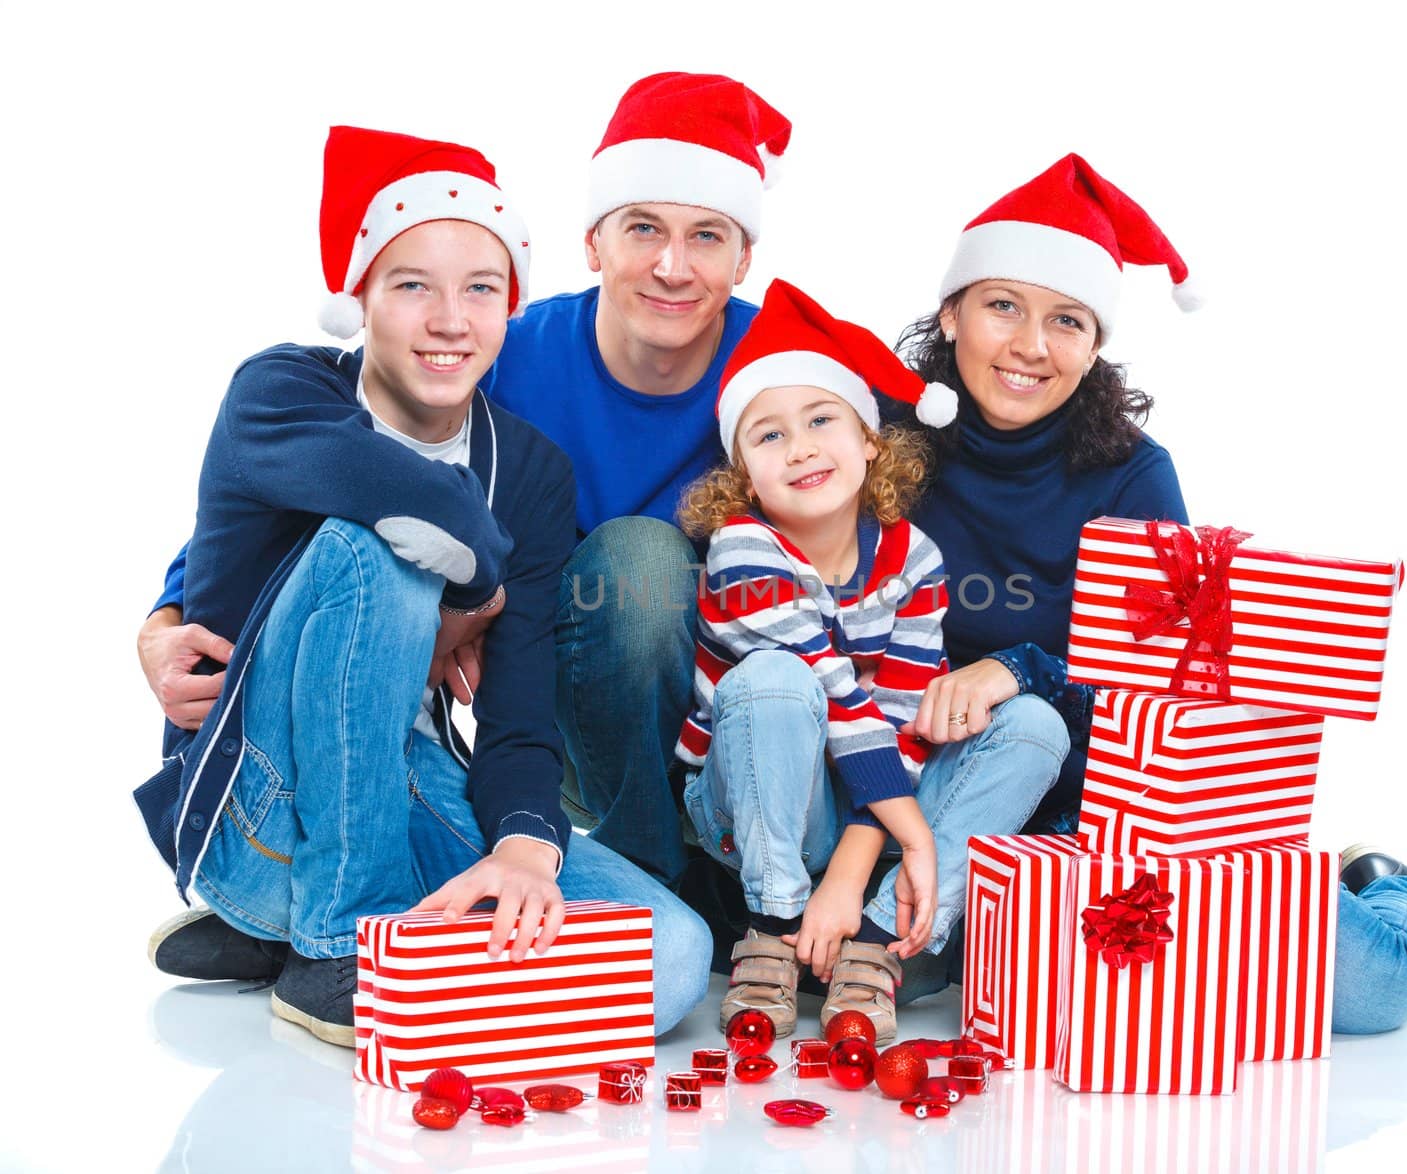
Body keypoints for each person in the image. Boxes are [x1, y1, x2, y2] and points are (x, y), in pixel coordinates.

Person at [135, 72, 791, 889]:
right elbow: (280, 500)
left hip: (710, 703)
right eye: (643, 228)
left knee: (656, 573)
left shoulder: (787, 373)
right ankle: (629, 860)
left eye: (706, 236)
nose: (671, 266)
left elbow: (900, 462)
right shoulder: (489, 351)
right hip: (548, 697)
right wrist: (165, 619)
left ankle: (695, 865)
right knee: (627, 563)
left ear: (745, 256)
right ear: (594, 243)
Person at [137, 126, 711, 1046]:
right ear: (361, 297)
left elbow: (519, 709)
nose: (451, 320)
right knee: (380, 559)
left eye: (481, 290)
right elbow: (406, 501)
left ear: (508, 307)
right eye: (413, 286)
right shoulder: (280, 392)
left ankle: (295, 926)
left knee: (674, 958)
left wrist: (525, 849)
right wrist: (471, 586)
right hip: (251, 792)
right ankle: (330, 940)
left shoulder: (526, 469)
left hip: (403, 776)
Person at [889, 151, 1407, 1029]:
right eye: (1003, 305)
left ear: (1096, 344)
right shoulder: (879, 439)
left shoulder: (1132, 476)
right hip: (919, 789)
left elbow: (1166, 685)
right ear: (953, 311)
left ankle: (1399, 889)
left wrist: (1020, 668)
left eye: (1067, 321)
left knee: (1369, 990)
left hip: (1100, 817)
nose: (1031, 347)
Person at [674, 280, 1068, 1041]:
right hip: (755, 805)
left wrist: (859, 873)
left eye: (822, 420)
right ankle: (773, 923)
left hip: (868, 810)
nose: (802, 448)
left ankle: (882, 939)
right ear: (743, 473)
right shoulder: (744, 547)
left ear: (870, 442)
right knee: (776, 680)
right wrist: (911, 837)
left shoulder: (915, 559)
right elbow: (837, 699)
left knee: (1032, 724)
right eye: (769, 435)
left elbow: (901, 720)